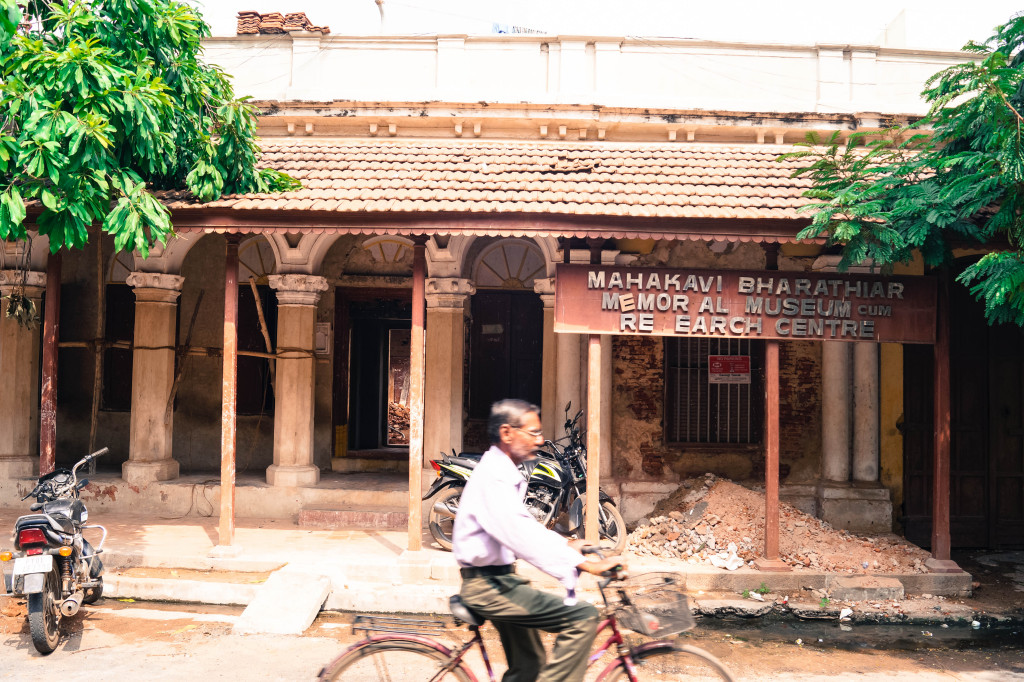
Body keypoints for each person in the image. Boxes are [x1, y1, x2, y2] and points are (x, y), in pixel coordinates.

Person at [452, 399, 625, 682]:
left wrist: (568, 545)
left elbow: (523, 527)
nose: (541, 440)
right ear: (507, 433)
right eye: (533, 433)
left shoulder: (503, 470)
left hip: (501, 581)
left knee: (529, 666)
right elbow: (521, 535)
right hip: (489, 587)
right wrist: (584, 564)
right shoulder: (495, 477)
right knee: (582, 618)